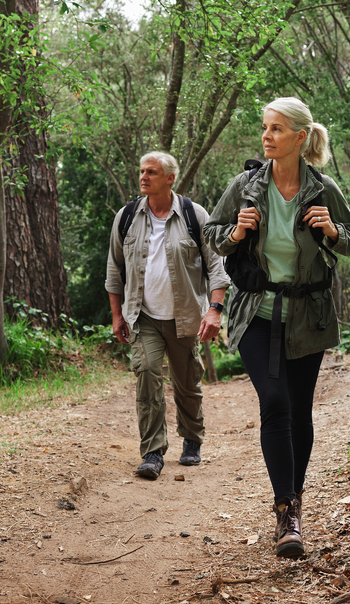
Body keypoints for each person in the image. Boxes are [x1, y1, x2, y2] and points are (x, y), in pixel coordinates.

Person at [203, 97, 350, 557]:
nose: (266, 136)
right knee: (275, 402)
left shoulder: (323, 188)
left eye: (276, 128)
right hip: (256, 313)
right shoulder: (246, 186)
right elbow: (211, 234)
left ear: (299, 137)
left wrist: (332, 230)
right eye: (265, 127)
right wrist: (236, 232)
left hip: (308, 316)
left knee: (299, 411)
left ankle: (295, 502)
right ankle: (285, 510)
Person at [105, 151, 230, 480]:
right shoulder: (127, 216)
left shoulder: (194, 215)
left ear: (170, 178)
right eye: (142, 170)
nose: (143, 176)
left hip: (185, 316)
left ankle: (192, 439)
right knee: (147, 374)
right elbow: (114, 271)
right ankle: (152, 451)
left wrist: (214, 311)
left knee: (187, 383)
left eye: (152, 172)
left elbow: (217, 268)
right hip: (142, 316)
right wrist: (117, 315)